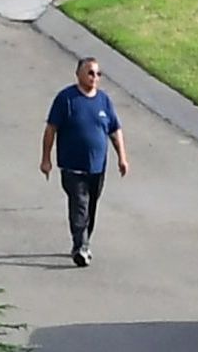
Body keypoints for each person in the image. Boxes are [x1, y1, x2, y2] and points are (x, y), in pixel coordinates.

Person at [39, 55, 130, 266]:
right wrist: (46, 159)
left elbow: (115, 131)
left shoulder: (104, 101)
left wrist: (122, 158)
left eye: (98, 74)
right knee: (79, 205)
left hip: (97, 168)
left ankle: (83, 241)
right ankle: (80, 246)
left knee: (91, 206)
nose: (94, 77)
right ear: (78, 73)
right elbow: (51, 129)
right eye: (90, 73)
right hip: (72, 167)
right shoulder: (66, 99)